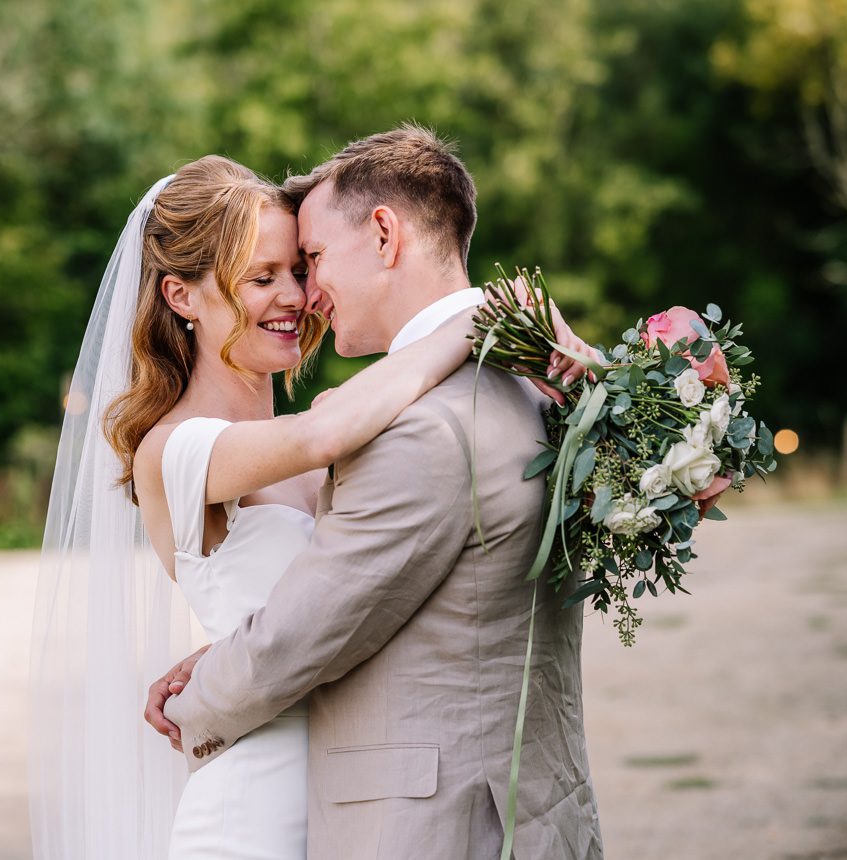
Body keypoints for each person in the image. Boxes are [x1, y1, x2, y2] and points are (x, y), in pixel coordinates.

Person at [144, 126, 604, 858]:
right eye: (264, 277)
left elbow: (313, 617)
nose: (301, 295)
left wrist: (200, 691)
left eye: (306, 264)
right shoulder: (183, 447)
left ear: (384, 234)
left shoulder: (405, 423)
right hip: (263, 801)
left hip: (373, 804)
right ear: (181, 296)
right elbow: (323, 449)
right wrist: (478, 321)